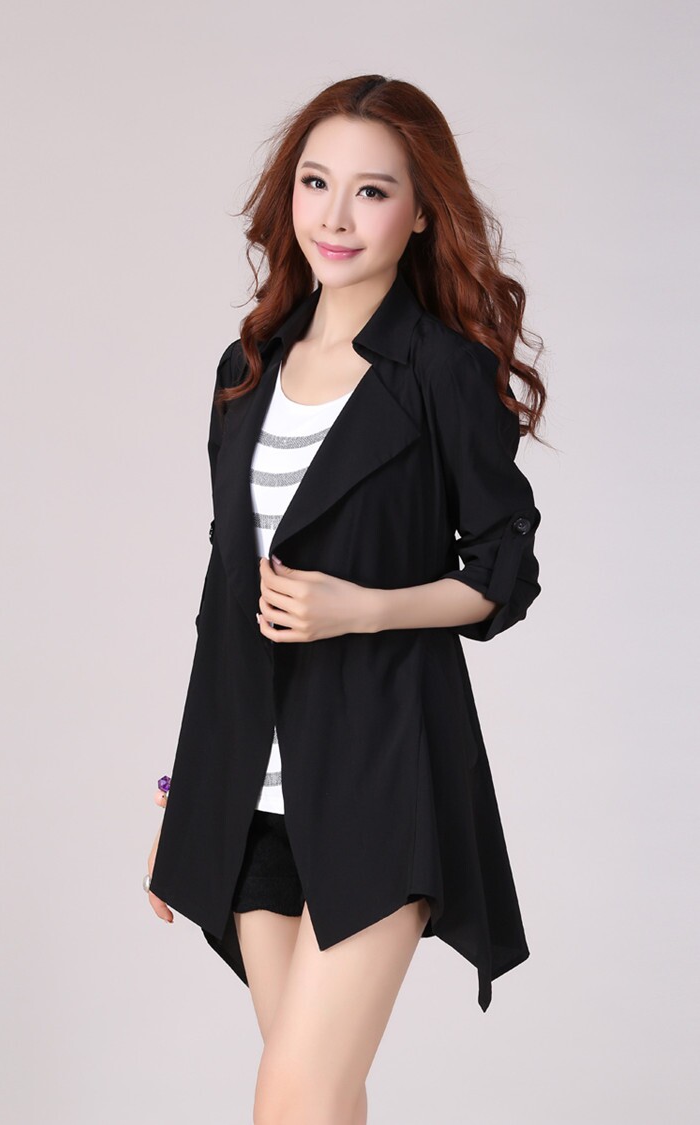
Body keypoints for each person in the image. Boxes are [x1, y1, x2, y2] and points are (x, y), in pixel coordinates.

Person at [145, 74, 547, 1125]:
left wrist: (362, 608)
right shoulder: (247, 367)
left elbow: (505, 568)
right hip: (252, 789)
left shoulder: (441, 372)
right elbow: (222, 602)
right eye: (316, 182)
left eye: (372, 191)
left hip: (382, 772)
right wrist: (184, 792)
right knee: (319, 1100)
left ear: (420, 214)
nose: (335, 215)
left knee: (293, 1099)